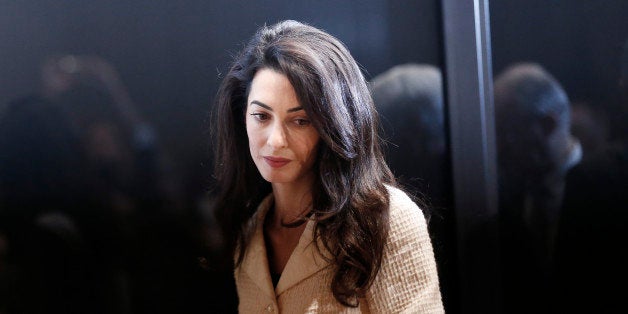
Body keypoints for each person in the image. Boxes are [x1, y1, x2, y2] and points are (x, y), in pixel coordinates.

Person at [211, 20, 443, 312]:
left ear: (332, 125)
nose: (275, 140)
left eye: (300, 121)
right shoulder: (250, 231)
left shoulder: (384, 219)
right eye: (261, 116)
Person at [493, 63, 582, 312]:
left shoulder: (603, 190)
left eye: (509, 133)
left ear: (548, 125)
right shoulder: (505, 197)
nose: (500, 148)